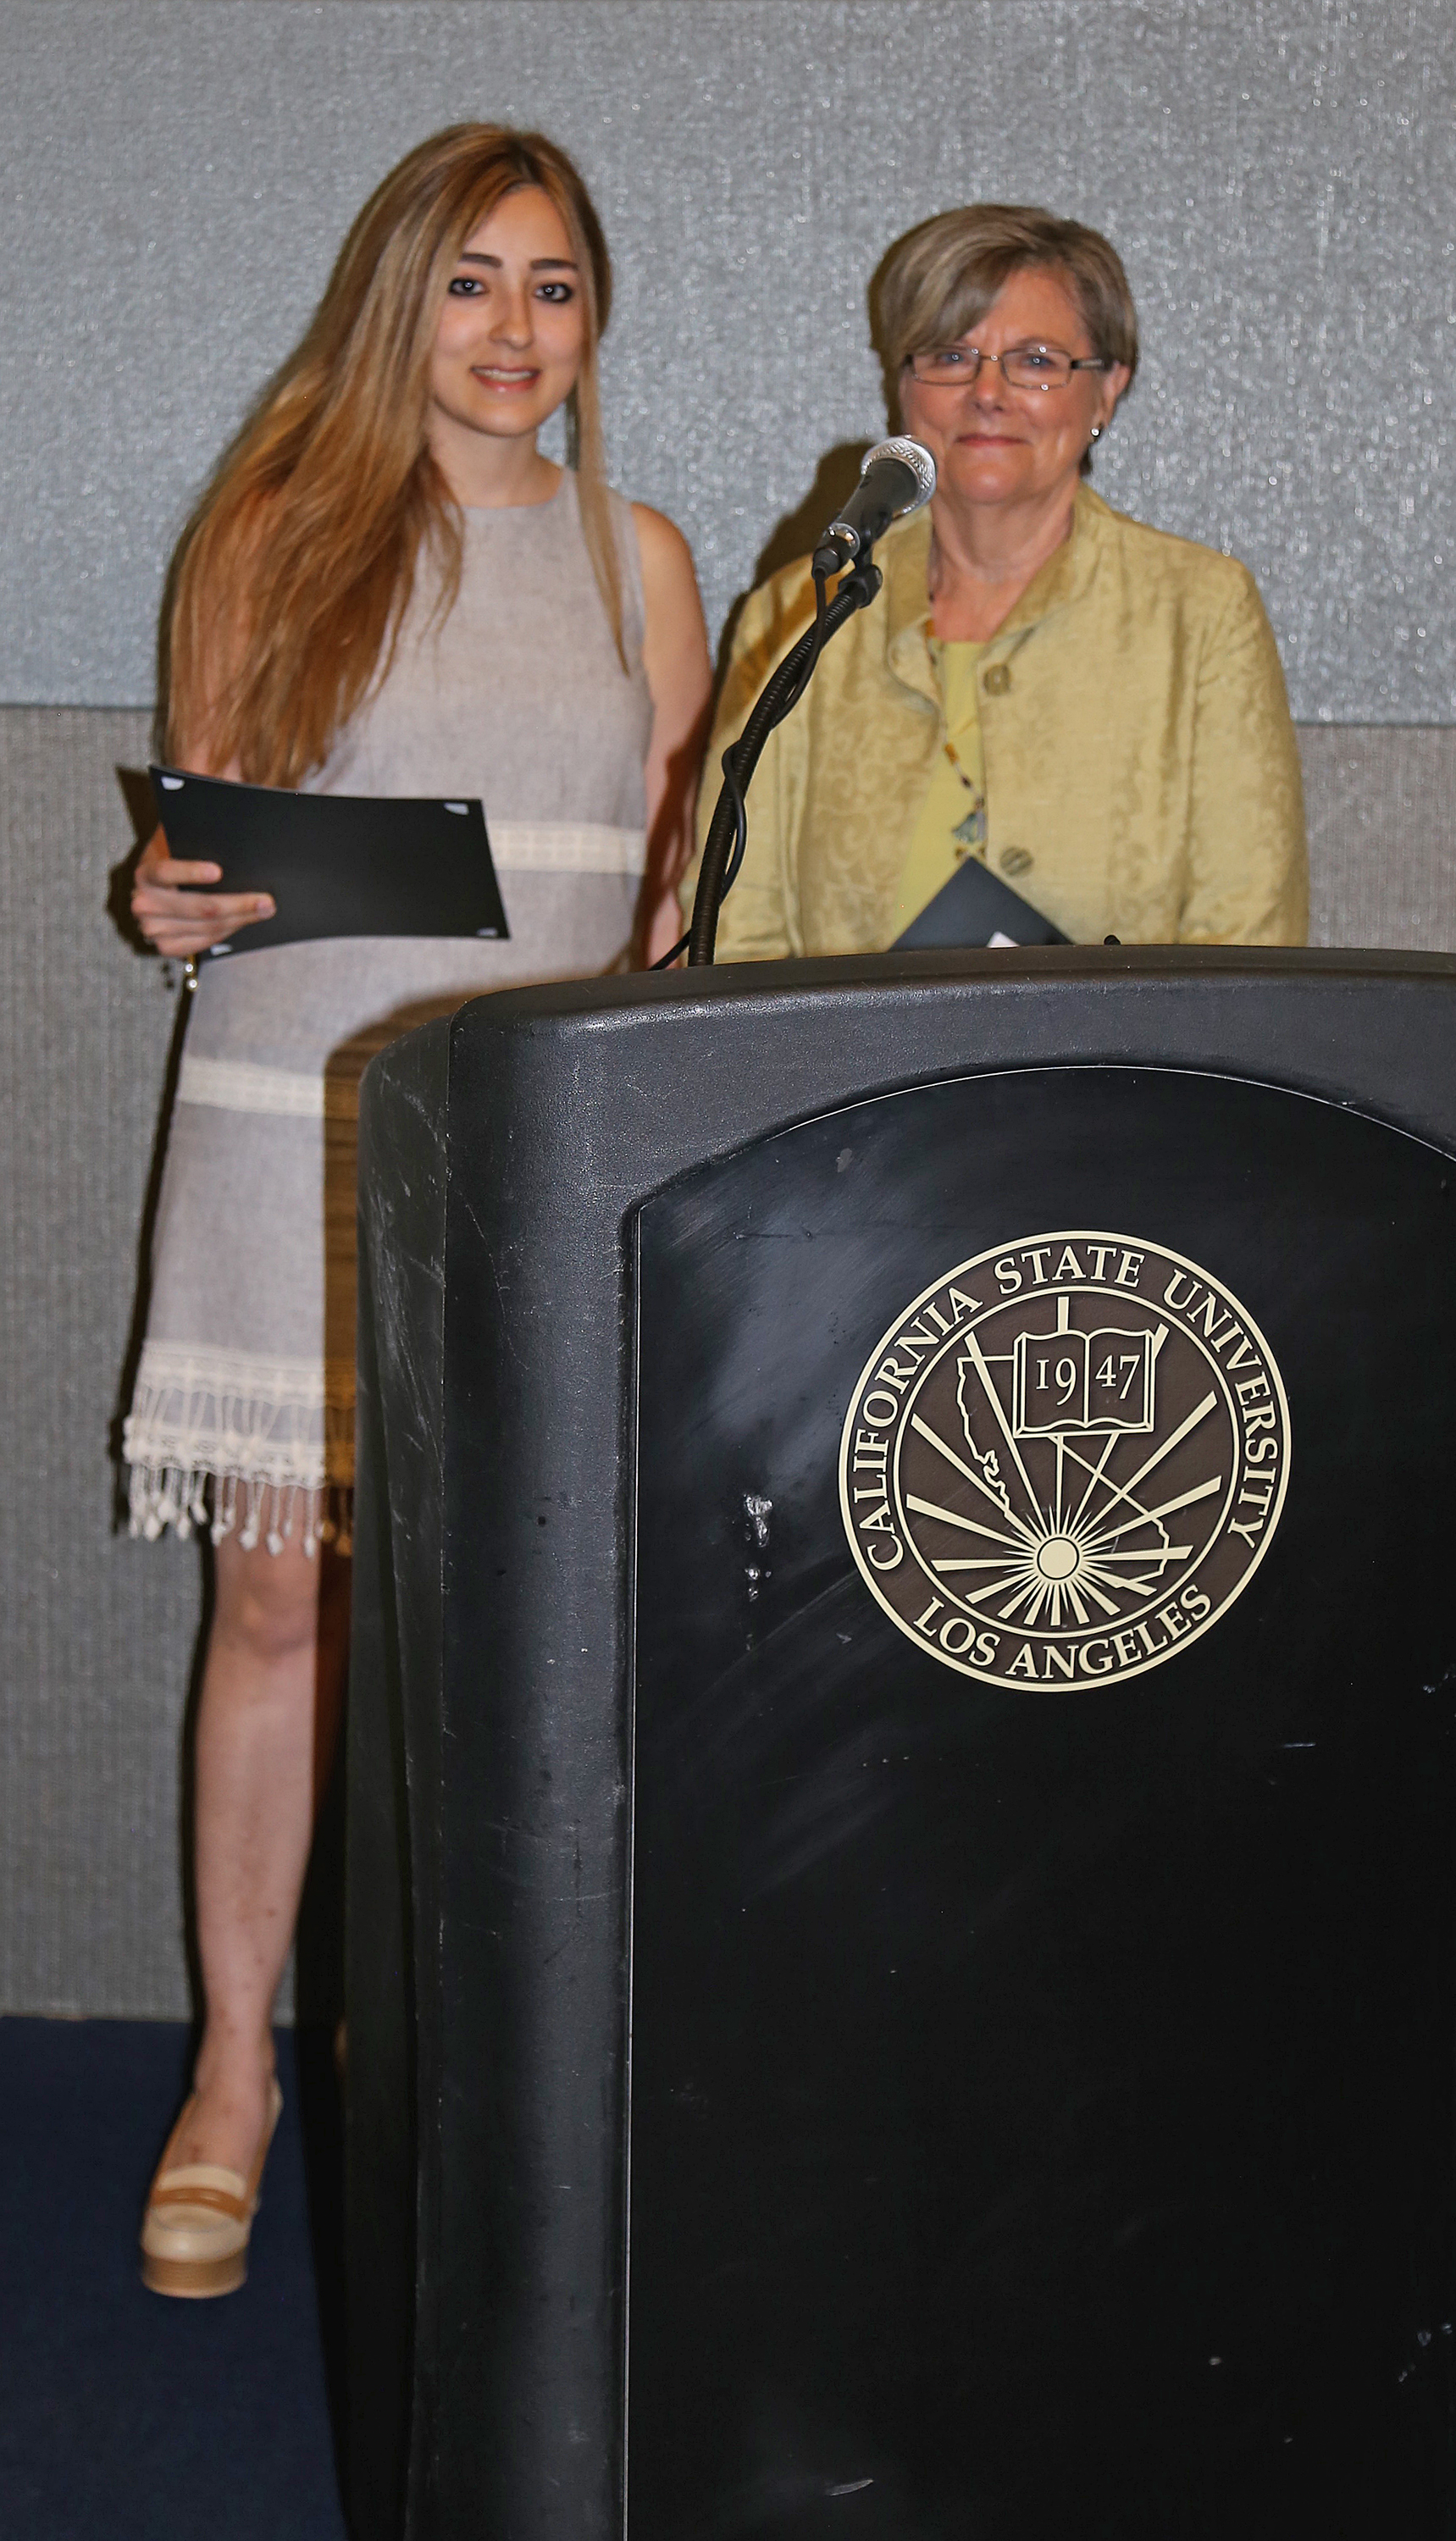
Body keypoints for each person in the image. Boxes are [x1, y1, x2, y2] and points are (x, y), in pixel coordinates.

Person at [126, 123, 710, 2297]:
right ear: (402, 300)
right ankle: (233, 2074)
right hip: (292, 1113)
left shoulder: (639, 559)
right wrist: (166, 893)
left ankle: (445, 2051)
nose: (511, 329)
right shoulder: (272, 531)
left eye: (552, 286)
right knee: (277, 1608)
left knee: (494, 1639)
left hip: (522, 1153)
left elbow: (658, 898)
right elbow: (201, 854)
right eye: (469, 281)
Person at [682, 206, 1305, 958]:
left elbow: (1246, 940)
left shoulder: (1201, 613)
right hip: (843, 1078)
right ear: (903, 388)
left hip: (1123, 1077)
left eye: (1037, 361)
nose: (987, 392)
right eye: (950, 356)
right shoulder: (796, 613)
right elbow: (733, 934)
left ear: (1106, 391)